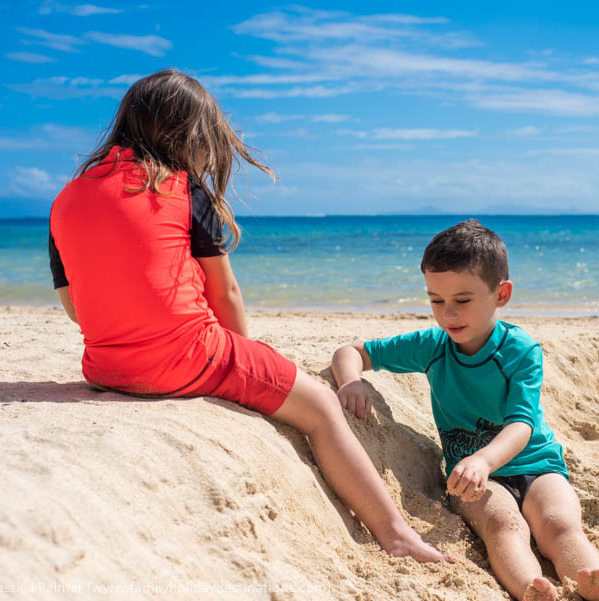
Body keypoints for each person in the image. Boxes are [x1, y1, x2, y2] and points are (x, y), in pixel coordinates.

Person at [47, 69, 448, 564]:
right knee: (322, 407)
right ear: (191, 136)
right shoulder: (181, 187)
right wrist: (244, 357)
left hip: (104, 369)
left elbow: (75, 306)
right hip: (185, 361)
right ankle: (397, 535)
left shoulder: (66, 199)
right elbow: (227, 292)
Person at [331, 220, 599, 601]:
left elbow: (522, 424)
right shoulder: (432, 345)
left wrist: (484, 459)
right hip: (473, 481)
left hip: (536, 464)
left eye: (462, 301)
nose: (448, 314)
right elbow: (352, 352)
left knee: (559, 524)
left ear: (501, 294)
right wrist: (351, 381)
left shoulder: (520, 351)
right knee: (504, 526)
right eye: (436, 301)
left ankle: (589, 580)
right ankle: (530, 589)